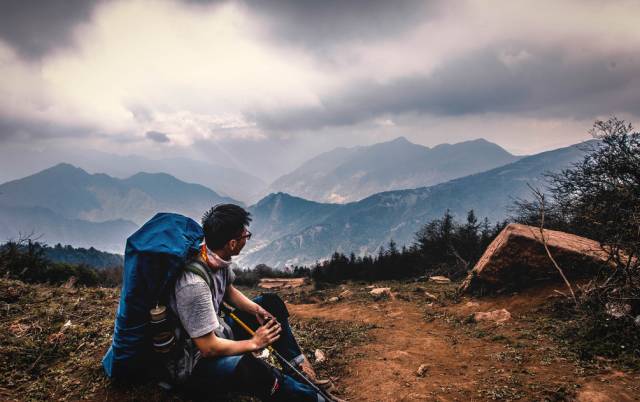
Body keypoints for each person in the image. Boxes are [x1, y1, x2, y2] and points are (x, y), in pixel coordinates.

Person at [168, 204, 331, 401]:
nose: (247, 237)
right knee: (253, 369)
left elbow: (228, 291)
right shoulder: (193, 286)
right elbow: (208, 347)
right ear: (232, 243)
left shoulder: (216, 258)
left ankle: (299, 372)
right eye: (246, 235)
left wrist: (256, 309)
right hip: (195, 364)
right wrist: (254, 343)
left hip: (218, 333)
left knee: (271, 304)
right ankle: (315, 398)